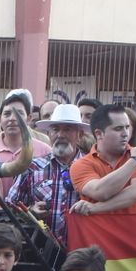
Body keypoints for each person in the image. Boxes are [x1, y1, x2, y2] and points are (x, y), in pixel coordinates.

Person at [8, 103, 85, 248]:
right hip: (39, 255)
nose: (60, 135)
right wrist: (30, 212)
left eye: (67, 129)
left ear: (80, 135)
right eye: (55, 129)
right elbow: (10, 205)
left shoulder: (91, 167)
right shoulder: (32, 167)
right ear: (49, 134)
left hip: (81, 254)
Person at [70, 103, 136, 217]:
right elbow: (100, 192)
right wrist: (135, 161)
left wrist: (95, 208)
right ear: (99, 134)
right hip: (98, 234)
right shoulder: (80, 165)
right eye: (118, 129)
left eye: (127, 127)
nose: (125, 133)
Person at [0, 92, 51, 195]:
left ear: (29, 118)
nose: (12, 118)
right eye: (7, 114)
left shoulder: (45, 151)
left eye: (19, 113)